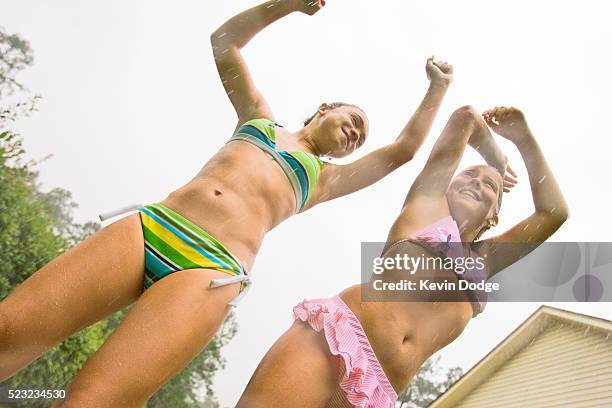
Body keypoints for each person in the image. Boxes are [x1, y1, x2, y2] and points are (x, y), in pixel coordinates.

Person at [0, 1, 455, 406]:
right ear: (323, 108)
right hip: (155, 225)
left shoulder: (325, 179)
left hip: (209, 272)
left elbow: (404, 151)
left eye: (359, 137)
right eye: (353, 119)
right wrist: (286, 6)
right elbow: (224, 43)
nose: (355, 133)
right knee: (10, 329)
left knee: (95, 400)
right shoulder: (258, 118)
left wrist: (438, 87)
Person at [236, 106, 569, 408]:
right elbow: (466, 118)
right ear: (448, 187)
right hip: (336, 340)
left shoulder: (485, 262)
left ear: (493, 217)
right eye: (468, 176)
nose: (476, 183)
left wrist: (525, 139)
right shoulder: (428, 208)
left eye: (489, 186)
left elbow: (554, 212)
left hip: (378, 388)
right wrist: (497, 160)